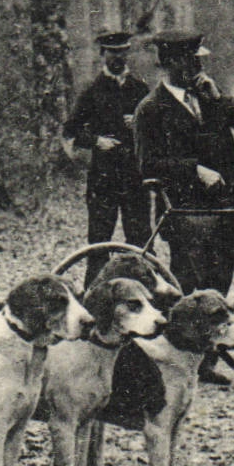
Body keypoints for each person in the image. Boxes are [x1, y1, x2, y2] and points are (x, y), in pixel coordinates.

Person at [134, 31, 234, 385]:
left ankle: (205, 360)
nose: (198, 66)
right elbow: (147, 165)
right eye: (191, 60)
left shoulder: (207, 98)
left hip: (226, 207)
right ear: (171, 63)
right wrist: (194, 169)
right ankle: (178, 360)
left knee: (219, 284)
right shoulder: (151, 109)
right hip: (186, 211)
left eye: (199, 60)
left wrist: (219, 97)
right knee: (190, 288)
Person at [61, 31, 152, 285]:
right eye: (113, 52)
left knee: (141, 242)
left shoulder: (140, 89)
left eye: (122, 51)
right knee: (99, 243)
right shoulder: (92, 91)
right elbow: (71, 131)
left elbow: (158, 130)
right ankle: (94, 295)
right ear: (103, 54)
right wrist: (96, 141)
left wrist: (139, 123)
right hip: (104, 178)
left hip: (135, 178)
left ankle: (147, 295)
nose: (118, 57)